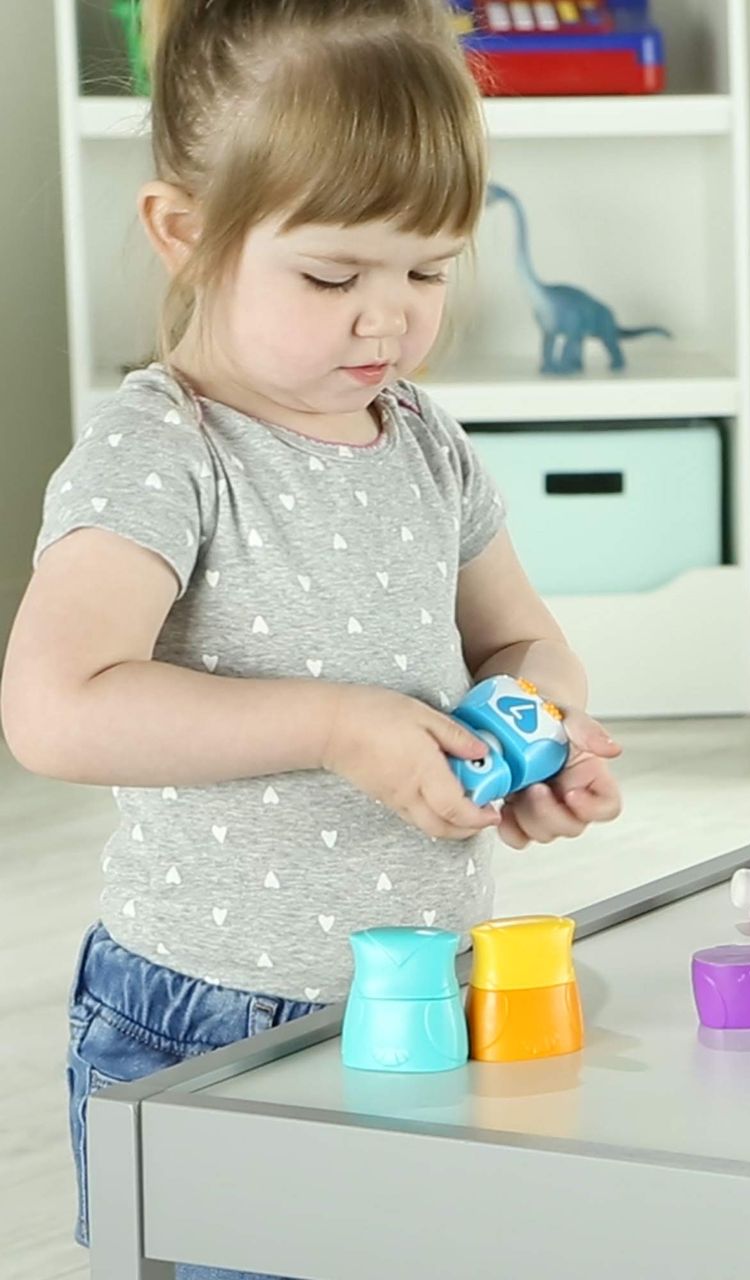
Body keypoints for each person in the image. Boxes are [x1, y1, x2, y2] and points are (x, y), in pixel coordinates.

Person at [0, 3, 622, 1275]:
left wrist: (539, 728)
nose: (386, 320)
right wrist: (336, 724)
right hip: (217, 1018)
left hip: (433, 997)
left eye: (427, 271)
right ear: (186, 233)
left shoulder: (423, 437)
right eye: (334, 278)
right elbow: (54, 708)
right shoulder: (162, 453)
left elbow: (519, 640)